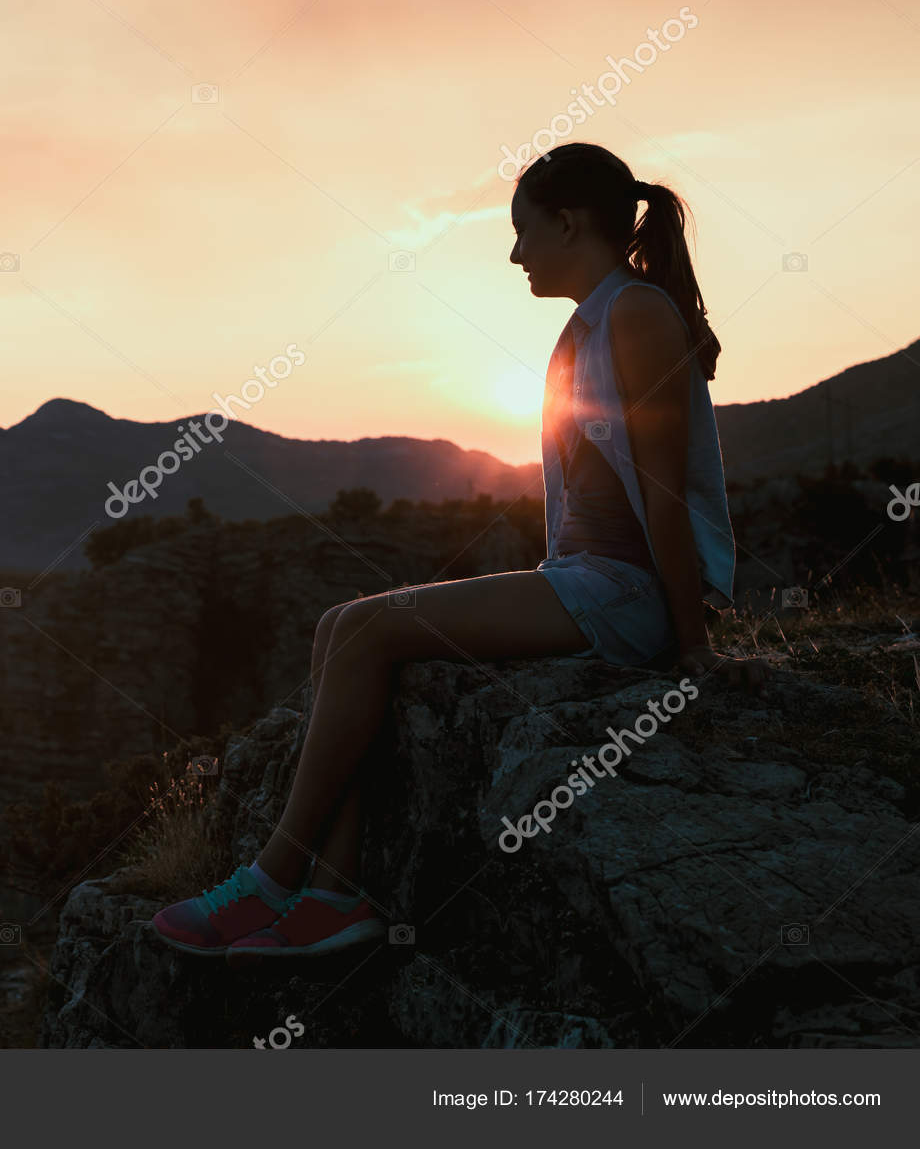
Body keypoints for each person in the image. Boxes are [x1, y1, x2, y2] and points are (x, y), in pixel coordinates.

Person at [151, 141, 771, 963]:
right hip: (584, 580)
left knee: (371, 629)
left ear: (568, 221)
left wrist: (692, 644)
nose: (514, 254)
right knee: (341, 623)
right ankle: (334, 897)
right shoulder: (587, 326)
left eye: (523, 232)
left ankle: (271, 877)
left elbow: (662, 495)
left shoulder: (636, 314)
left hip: (628, 595)